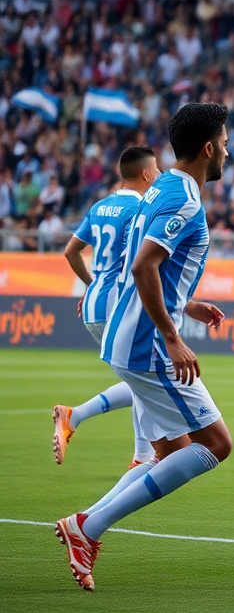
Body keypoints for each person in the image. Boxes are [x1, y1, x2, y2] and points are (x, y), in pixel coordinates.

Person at [56, 103, 233, 591]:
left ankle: (86, 523)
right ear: (207, 147)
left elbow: (151, 266)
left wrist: (186, 305)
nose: (228, 149)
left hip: (127, 334)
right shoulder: (185, 200)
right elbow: (143, 266)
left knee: (168, 451)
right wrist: (174, 337)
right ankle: (87, 527)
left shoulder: (162, 186)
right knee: (215, 445)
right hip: (148, 345)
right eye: (224, 141)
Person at [53, 146, 160, 468]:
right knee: (145, 378)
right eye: (156, 170)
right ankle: (76, 416)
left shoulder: (101, 206)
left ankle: (142, 457)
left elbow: (71, 252)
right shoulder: (143, 209)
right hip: (122, 303)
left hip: (95, 304)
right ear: (145, 174)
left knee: (140, 379)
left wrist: (91, 285)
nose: (158, 176)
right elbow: (140, 264)